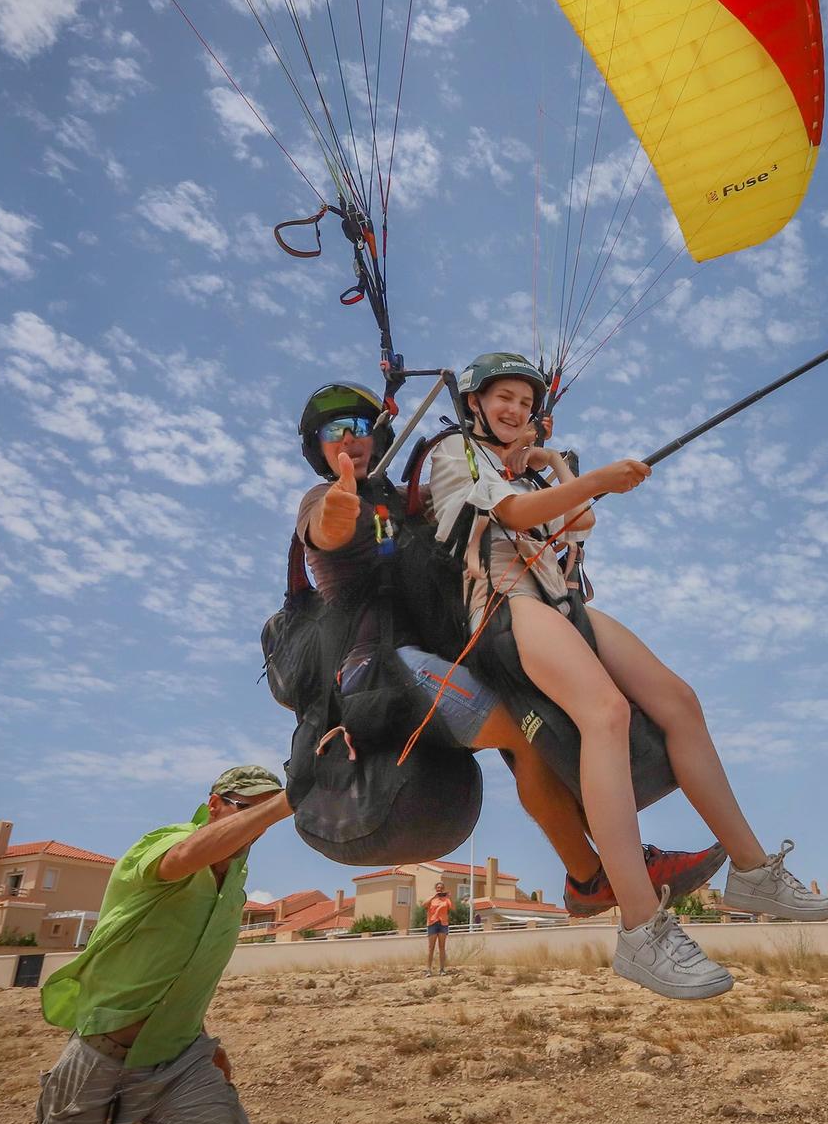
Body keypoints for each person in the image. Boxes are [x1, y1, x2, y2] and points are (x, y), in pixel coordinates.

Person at [427, 353, 828, 1001]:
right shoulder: (454, 453)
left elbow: (578, 520)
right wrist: (595, 476)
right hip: (504, 609)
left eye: (525, 403)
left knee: (678, 700)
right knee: (605, 712)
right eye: (502, 397)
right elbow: (513, 514)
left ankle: (753, 870)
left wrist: (558, 464)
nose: (515, 410)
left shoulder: (527, 468)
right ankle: (641, 926)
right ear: (475, 403)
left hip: (559, 604)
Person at [293, 383, 727, 917]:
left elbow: (484, 485)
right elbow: (324, 528)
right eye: (333, 432)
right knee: (525, 731)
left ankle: (610, 865)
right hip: (380, 673)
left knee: (541, 713)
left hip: (441, 658)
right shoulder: (324, 499)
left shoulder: (408, 499)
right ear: (316, 447)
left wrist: (527, 440)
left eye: (359, 428)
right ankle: (595, 874)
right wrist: (337, 507)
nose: (349, 441)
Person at [33, 765, 291, 1124]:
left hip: (181, 1059)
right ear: (215, 805)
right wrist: (284, 804)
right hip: (103, 1056)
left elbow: (184, 968)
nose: (259, 825)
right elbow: (180, 859)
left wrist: (200, 1038)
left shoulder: (234, 882)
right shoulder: (170, 841)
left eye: (267, 814)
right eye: (247, 809)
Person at [424, 880, 455, 976]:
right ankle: (428, 970)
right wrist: (434, 896)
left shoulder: (446, 899)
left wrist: (450, 897)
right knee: (431, 948)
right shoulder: (431, 899)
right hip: (432, 923)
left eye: (441, 888)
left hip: (443, 924)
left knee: (442, 947)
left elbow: (453, 908)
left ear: (443, 889)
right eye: (438, 888)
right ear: (435, 888)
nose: (439, 889)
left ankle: (442, 969)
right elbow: (424, 905)